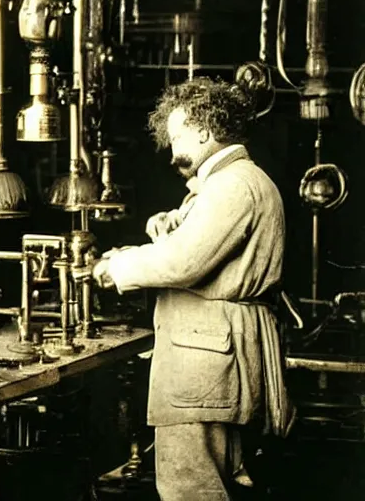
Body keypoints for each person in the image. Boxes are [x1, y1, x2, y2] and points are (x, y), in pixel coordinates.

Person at [93, 76, 294, 500]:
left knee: (190, 490)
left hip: (204, 368)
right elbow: (201, 253)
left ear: (203, 130)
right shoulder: (231, 183)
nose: (172, 151)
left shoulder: (233, 185)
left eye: (178, 135)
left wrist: (116, 267)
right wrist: (171, 229)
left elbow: (185, 264)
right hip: (214, 359)